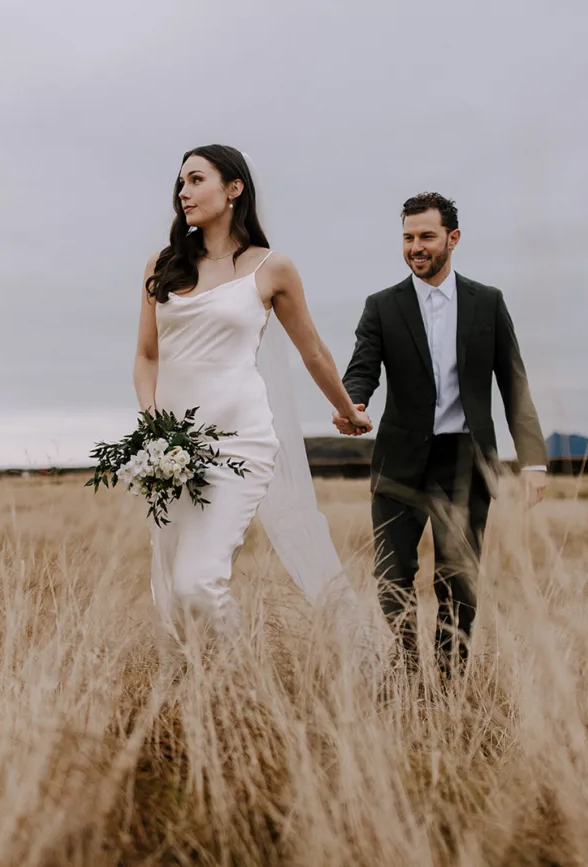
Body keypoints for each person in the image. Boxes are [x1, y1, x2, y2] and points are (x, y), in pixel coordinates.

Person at [134, 144, 373, 663]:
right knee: (174, 595)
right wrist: (152, 426)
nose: (183, 191)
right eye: (180, 183)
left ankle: (250, 690)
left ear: (233, 188)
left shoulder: (271, 268)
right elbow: (147, 355)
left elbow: (313, 351)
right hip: (172, 454)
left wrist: (348, 410)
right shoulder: (163, 266)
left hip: (240, 444)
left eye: (196, 179)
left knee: (199, 584)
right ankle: (211, 700)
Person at [335, 191, 549, 678]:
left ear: (452, 239)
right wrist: (353, 403)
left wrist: (532, 462)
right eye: (408, 238)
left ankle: (449, 688)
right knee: (392, 576)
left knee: (458, 582)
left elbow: (513, 384)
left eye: (426, 237)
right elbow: (361, 369)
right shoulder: (382, 306)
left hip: (465, 462)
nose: (416, 247)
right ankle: (408, 670)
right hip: (399, 462)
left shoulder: (488, 303)